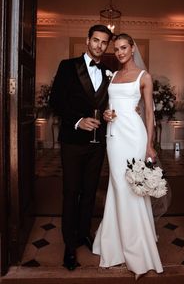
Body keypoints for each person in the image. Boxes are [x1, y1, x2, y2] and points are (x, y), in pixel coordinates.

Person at [93, 33, 164, 280]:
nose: (120, 52)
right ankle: (114, 241)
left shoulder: (144, 77)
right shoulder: (112, 76)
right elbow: (107, 107)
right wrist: (106, 115)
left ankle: (137, 248)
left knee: (133, 188)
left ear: (132, 48)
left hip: (135, 137)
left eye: (124, 47)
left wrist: (149, 146)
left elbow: (149, 114)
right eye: (117, 49)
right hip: (113, 137)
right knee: (117, 185)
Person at [49, 24, 113, 271]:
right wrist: (77, 121)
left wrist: (108, 114)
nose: (99, 45)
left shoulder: (109, 72)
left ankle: (84, 233)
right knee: (71, 192)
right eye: (95, 40)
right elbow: (55, 101)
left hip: (98, 144)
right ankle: (69, 245)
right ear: (87, 41)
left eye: (104, 42)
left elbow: (108, 103)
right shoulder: (68, 66)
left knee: (90, 192)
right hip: (73, 142)